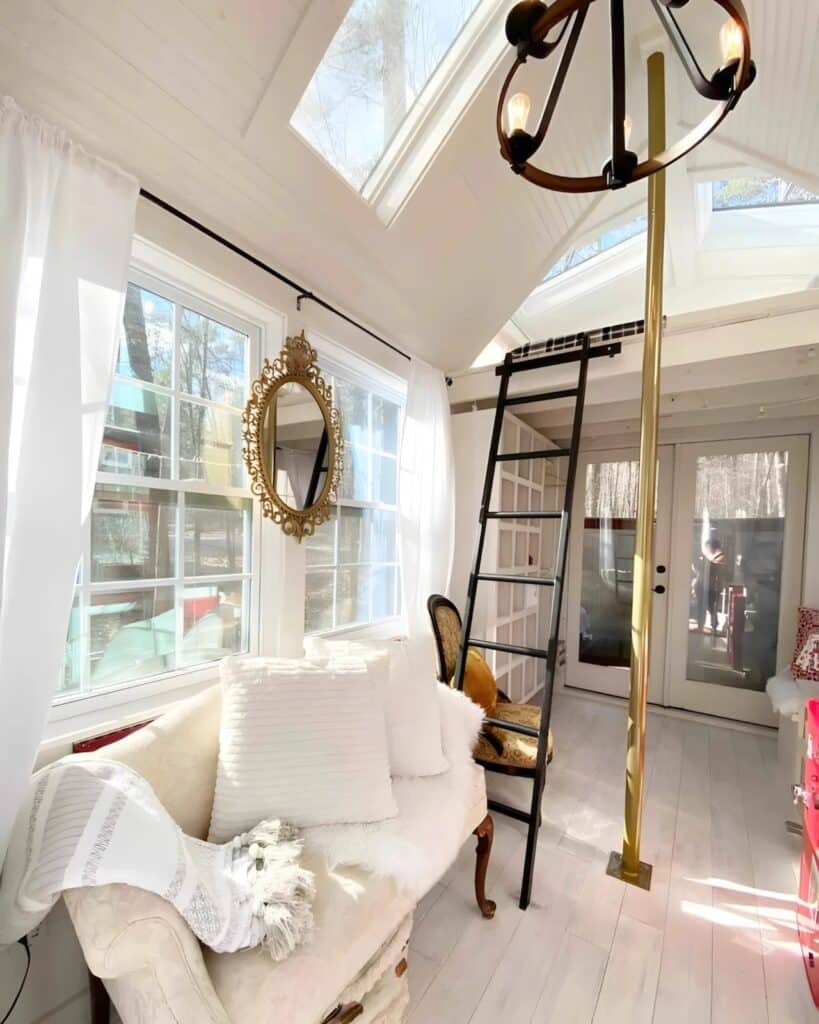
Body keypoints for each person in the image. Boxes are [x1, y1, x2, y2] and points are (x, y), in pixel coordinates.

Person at [696, 535, 726, 635]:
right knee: (705, 607)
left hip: (712, 587)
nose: (707, 549)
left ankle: (713, 627)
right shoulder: (711, 556)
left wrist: (706, 562)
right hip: (706, 586)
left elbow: (717, 571)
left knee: (711, 608)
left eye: (707, 547)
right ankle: (703, 626)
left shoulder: (720, 557)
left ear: (711, 546)